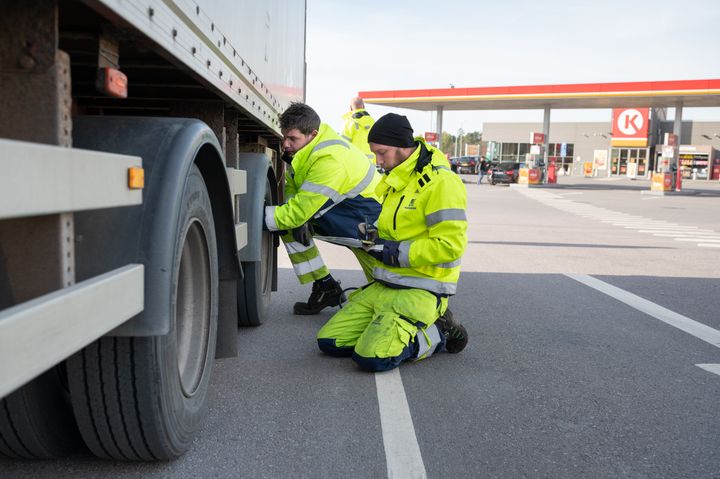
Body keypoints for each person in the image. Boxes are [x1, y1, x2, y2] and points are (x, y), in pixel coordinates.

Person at [317, 113, 469, 371]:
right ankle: (387, 328)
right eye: (375, 153)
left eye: (382, 152)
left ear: (402, 147)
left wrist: (394, 252)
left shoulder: (441, 182)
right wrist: (372, 236)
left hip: (422, 289)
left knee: (373, 358)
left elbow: (449, 246)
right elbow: (394, 228)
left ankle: (440, 332)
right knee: (330, 342)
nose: (377, 160)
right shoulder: (396, 179)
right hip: (386, 285)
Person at [264, 102, 382, 315]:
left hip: (371, 222)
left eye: (292, 138)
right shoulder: (305, 151)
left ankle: (432, 314)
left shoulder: (329, 159)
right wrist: (299, 219)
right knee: (288, 223)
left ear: (313, 133)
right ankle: (325, 287)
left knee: (387, 290)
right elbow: (294, 194)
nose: (285, 144)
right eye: (284, 137)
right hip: (349, 213)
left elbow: (296, 212)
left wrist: (256, 217)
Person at [341, 97, 376, 165]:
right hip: (371, 162)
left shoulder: (349, 122)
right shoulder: (373, 122)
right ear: (363, 106)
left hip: (355, 161)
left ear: (350, 108)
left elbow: (343, 144)